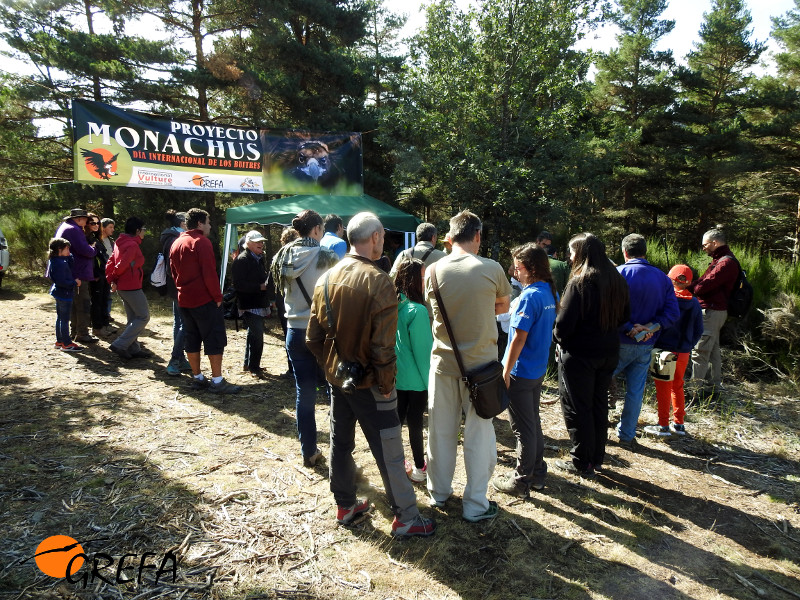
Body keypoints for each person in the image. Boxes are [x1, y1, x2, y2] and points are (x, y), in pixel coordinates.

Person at [306, 212, 436, 537]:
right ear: (376, 237)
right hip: (372, 383)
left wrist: (333, 366)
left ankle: (345, 505)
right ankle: (406, 518)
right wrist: (387, 385)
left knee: (340, 443)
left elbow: (312, 337)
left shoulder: (326, 278)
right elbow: (383, 348)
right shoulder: (378, 281)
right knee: (390, 449)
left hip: (339, 378)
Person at [425, 210, 511, 522]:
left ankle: (439, 492)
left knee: (440, 432)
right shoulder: (491, 268)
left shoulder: (432, 270)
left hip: (443, 364)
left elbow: (431, 310)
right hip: (483, 369)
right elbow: (503, 305)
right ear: (477, 236)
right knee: (479, 437)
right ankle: (475, 505)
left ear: (450, 237)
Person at [553, 233, 629, 477]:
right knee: (598, 405)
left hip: (579, 355)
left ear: (582, 254)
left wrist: (559, 339)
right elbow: (626, 317)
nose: (569, 256)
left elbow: (563, 325)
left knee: (577, 407)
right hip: (608, 351)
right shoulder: (616, 279)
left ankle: (581, 460)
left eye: (572, 252)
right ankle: (596, 458)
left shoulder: (580, 282)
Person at [271, 210, 339, 466]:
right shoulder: (326, 257)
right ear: (317, 230)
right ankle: (339, 451)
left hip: (293, 330)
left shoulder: (281, 256)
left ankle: (308, 450)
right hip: (321, 332)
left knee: (305, 393)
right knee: (334, 391)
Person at [492, 243, 558, 496]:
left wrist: (505, 372)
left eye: (518, 268)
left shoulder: (530, 297)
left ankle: (520, 481)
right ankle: (538, 473)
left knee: (523, 428)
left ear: (530, 269)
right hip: (537, 368)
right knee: (532, 424)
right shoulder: (549, 292)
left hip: (521, 371)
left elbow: (518, 338)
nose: (515, 272)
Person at [613, 233, 679, 449]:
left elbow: (609, 309)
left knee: (598, 384)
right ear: (645, 251)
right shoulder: (662, 278)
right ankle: (627, 434)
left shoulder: (617, 274)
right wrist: (650, 327)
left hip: (618, 341)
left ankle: (595, 431)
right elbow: (672, 313)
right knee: (635, 391)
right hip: (645, 343)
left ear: (625, 252)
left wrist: (629, 327)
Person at [170, 208, 241, 394]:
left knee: (191, 339)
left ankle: (198, 377)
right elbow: (209, 274)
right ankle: (217, 381)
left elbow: (173, 272)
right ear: (200, 223)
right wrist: (217, 297)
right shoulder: (201, 242)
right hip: (204, 300)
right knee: (214, 339)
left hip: (184, 300)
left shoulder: (177, 242)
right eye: (208, 222)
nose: (210, 226)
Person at [644, 265, 704, 437]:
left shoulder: (665, 300)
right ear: (689, 282)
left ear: (669, 279)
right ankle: (679, 424)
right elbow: (699, 330)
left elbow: (657, 324)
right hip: (684, 352)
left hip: (664, 351)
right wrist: (688, 345)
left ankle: (663, 425)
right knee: (677, 386)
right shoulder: (694, 303)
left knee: (663, 388)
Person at [393, 258, 433, 483]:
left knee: (397, 421)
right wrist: (431, 385)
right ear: (414, 280)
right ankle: (420, 467)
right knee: (416, 424)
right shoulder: (416, 311)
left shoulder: (393, 304)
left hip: (397, 376)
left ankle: (396, 462)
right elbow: (424, 352)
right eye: (422, 276)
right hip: (417, 380)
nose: (425, 280)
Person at [690, 228, 740, 394]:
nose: (703, 248)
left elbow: (702, 287)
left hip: (712, 312)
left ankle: (693, 392)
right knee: (712, 352)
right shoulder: (720, 261)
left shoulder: (725, 263)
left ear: (715, 243)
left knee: (700, 352)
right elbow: (702, 282)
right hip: (715, 312)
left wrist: (689, 287)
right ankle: (714, 388)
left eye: (705, 245)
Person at [105, 217, 151, 360]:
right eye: (143, 229)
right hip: (131, 286)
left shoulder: (121, 242)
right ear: (137, 231)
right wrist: (115, 277)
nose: (144, 231)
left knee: (133, 318)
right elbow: (122, 265)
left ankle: (133, 348)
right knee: (143, 316)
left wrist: (113, 279)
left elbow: (112, 261)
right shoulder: (131, 245)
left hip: (124, 286)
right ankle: (120, 344)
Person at [54, 208, 97, 343]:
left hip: (70, 271)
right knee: (83, 303)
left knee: (75, 303)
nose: (86, 221)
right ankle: (82, 333)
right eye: (85, 219)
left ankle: (74, 332)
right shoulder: (74, 229)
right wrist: (94, 248)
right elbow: (86, 251)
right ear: (79, 219)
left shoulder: (66, 226)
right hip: (78, 272)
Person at [233, 230, 270, 377]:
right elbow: (239, 285)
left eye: (262, 241)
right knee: (257, 337)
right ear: (248, 244)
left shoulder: (259, 258)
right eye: (257, 242)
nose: (261, 244)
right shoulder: (242, 260)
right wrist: (259, 287)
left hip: (259, 302)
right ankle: (254, 368)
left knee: (253, 334)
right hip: (249, 304)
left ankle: (248, 363)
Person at [160, 210, 192, 376]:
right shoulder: (177, 239)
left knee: (178, 321)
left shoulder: (169, 236)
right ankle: (175, 359)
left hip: (174, 284)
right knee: (183, 323)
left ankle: (180, 358)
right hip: (180, 285)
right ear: (182, 224)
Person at [46, 237, 84, 352]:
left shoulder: (57, 259)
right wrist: (74, 283)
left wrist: (69, 255)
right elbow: (62, 281)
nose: (69, 251)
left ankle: (59, 341)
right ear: (59, 249)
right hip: (64, 294)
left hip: (60, 293)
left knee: (60, 318)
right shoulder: (60, 263)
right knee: (64, 319)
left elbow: (70, 262)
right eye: (67, 249)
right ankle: (66, 343)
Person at [84, 213, 114, 338]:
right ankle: (97, 328)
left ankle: (103, 325)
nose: (96, 225)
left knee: (103, 300)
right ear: (87, 225)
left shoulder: (97, 238)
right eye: (93, 223)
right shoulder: (86, 238)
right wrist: (94, 273)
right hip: (95, 275)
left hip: (104, 273)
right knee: (96, 301)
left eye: (98, 223)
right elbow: (90, 258)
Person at [100, 218, 115, 322]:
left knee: (108, 295)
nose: (113, 229)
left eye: (113, 227)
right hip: (100, 272)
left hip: (110, 272)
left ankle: (107, 314)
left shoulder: (111, 241)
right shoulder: (97, 241)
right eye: (110, 227)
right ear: (103, 228)